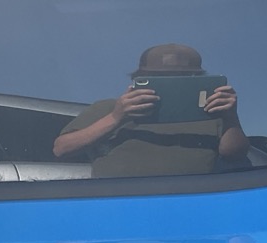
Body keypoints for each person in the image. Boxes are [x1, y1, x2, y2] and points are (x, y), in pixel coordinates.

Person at [52, 43, 250, 178]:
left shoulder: (209, 110)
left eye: (183, 76)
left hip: (193, 203)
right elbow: (62, 148)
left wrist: (231, 116)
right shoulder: (109, 107)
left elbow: (235, 154)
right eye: (158, 77)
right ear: (139, 78)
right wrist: (117, 117)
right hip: (119, 205)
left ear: (195, 79)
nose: (170, 82)